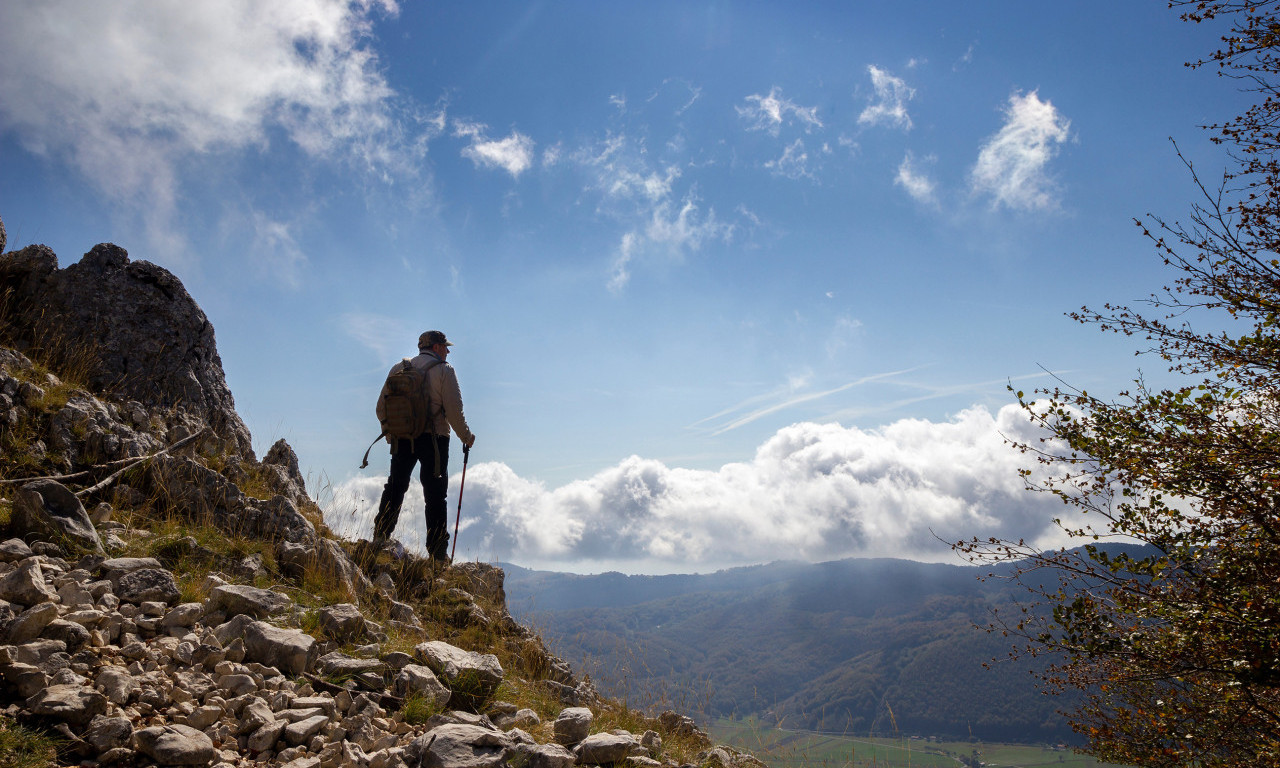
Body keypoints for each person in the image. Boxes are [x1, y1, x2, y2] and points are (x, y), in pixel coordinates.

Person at [372, 330, 476, 561]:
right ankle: (437, 555)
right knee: (435, 495)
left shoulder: (398, 368)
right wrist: (466, 436)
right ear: (436, 347)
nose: (448, 351)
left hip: (402, 437)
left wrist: (392, 433)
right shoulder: (444, 370)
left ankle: (380, 536)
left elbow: (381, 408)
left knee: (395, 486)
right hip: (434, 439)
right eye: (445, 347)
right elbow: (454, 411)